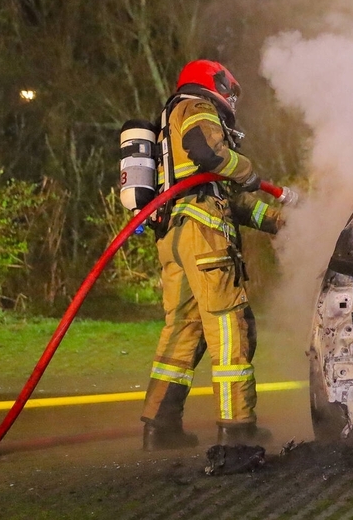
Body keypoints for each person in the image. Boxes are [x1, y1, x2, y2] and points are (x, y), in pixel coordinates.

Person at [140, 59, 297, 451]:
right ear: (214, 83)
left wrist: (280, 222)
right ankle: (238, 428)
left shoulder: (170, 119)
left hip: (175, 234)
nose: (231, 99)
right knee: (232, 326)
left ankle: (160, 427)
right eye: (229, 90)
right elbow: (208, 154)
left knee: (184, 329)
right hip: (204, 237)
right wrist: (246, 170)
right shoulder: (196, 106)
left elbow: (226, 200)